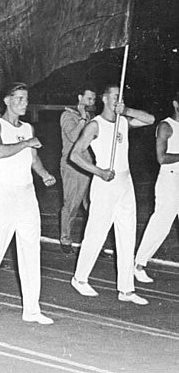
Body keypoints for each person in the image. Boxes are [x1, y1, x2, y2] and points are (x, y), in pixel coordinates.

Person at [0, 82, 56, 324]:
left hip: (27, 195)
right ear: (7, 100)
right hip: (4, 194)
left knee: (31, 249)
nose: (24, 103)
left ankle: (32, 309)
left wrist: (43, 174)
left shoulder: (28, 127)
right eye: (19, 99)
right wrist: (26, 143)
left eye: (26, 99)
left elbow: (33, 159)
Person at [70, 84, 154, 304]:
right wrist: (99, 171)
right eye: (116, 96)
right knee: (96, 233)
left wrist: (125, 111)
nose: (119, 99)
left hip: (125, 183)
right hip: (105, 183)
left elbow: (150, 120)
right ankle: (80, 279)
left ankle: (126, 290)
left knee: (127, 234)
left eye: (121, 96)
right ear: (105, 99)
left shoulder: (123, 122)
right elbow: (75, 155)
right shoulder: (95, 125)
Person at [134, 91, 179, 282]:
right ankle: (138, 264)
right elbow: (161, 158)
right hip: (169, 181)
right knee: (161, 225)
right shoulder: (166, 126)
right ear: (176, 104)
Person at [59, 86, 96, 254]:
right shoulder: (67, 115)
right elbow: (73, 137)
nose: (91, 102)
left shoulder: (91, 117)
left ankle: (93, 241)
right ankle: (65, 239)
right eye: (89, 99)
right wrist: (82, 118)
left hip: (89, 165)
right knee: (72, 204)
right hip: (73, 166)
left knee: (92, 204)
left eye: (94, 99)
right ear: (80, 97)